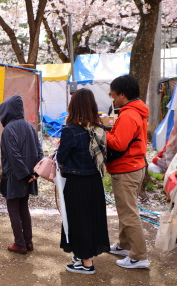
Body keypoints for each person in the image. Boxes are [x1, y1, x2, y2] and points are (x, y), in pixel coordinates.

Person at [56, 88, 110, 274]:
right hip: (94, 181)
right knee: (92, 219)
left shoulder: (70, 131)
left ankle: (87, 264)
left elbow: (61, 158)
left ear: (74, 107)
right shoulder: (99, 128)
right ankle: (81, 257)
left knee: (79, 220)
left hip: (77, 183)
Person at [106, 75, 150, 269]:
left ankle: (139, 256)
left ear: (122, 94)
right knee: (126, 210)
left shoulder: (128, 115)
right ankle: (124, 245)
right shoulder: (134, 112)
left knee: (128, 213)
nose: (112, 99)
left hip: (126, 169)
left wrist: (102, 132)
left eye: (113, 95)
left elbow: (118, 143)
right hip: (134, 165)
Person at [0, 95, 43, 254]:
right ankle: (28, 242)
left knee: (13, 207)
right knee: (24, 206)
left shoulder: (8, 129)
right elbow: (40, 151)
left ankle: (20, 243)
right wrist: (34, 173)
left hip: (16, 176)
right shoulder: (30, 126)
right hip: (29, 175)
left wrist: (25, 175)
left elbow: (14, 156)